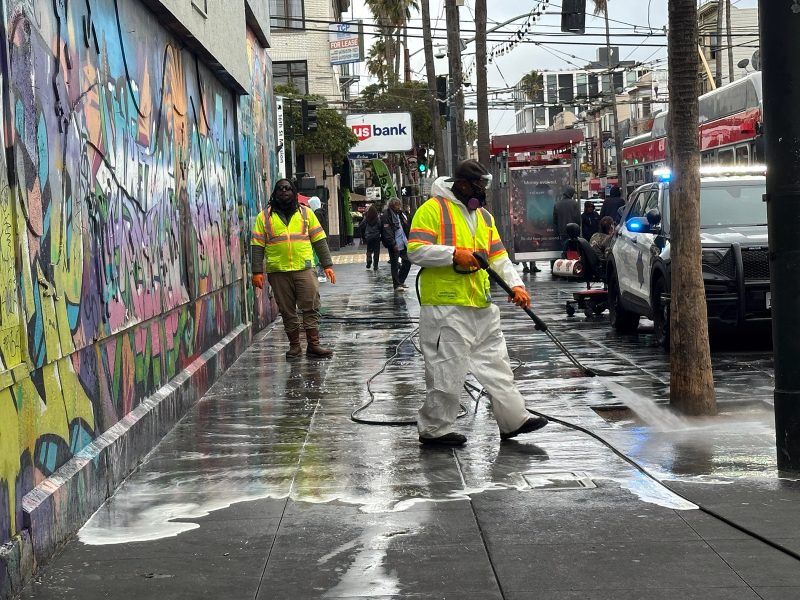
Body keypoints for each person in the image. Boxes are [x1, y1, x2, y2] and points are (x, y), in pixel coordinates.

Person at [407, 159, 548, 446]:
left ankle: (513, 420)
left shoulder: (484, 217)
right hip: (445, 307)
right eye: (478, 185)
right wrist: (451, 255)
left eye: (484, 185)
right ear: (461, 185)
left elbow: (497, 257)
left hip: (480, 304)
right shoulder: (432, 209)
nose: (482, 191)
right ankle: (435, 430)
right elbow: (416, 251)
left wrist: (516, 285)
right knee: (447, 371)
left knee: (497, 365)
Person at [251, 179, 337, 358]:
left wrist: (327, 265)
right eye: (280, 188)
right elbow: (257, 245)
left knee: (311, 307)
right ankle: (295, 346)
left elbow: (319, 240)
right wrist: (257, 271)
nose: (284, 191)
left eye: (288, 188)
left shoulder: (306, 213)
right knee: (287, 310)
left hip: (304, 268)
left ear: (294, 192)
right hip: (278, 271)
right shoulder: (264, 217)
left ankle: (313, 345)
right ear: (275, 192)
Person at [380, 197, 411, 291]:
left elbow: (405, 226)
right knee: (394, 264)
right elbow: (387, 231)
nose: (399, 207)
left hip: (403, 241)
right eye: (397, 205)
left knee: (407, 262)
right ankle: (396, 284)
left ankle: (401, 281)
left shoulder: (400, 214)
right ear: (392, 206)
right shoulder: (386, 215)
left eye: (399, 205)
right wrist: (393, 244)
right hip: (394, 243)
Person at [358, 205, 382, 271]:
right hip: (376, 237)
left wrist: (364, 234)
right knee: (376, 251)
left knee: (369, 250)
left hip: (368, 236)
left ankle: (369, 259)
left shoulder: (366, 218)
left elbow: (361, 226)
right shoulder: (377, 218)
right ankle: (375, 266)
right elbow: (380, 226)